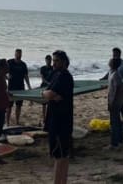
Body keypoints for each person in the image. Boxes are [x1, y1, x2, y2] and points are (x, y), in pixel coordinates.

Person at [43, 49, 75, 184]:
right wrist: (49, 93)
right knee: (63, 154)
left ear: (63, 62)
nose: (54, 63)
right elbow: (50, 93)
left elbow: (49, 94)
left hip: (60, 121)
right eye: (53, 60)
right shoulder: (57, 74)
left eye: (56, 61)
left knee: (59, 155)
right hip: (59, 119)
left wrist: (47, 93)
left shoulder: (64, 76)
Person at [100, 47, 123, 128]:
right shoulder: (113, 64)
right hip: (112, 89)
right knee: (112, 108)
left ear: (119, 54)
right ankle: (113, 123)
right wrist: (102, 79)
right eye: (113, 54)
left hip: (121, 90)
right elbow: (109, 73)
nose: (114, 56)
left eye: (115, 54)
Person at [7, 48, 31, 124]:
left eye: (20, 54)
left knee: (18, 106)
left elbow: (26, 76)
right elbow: (2, 70)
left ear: (21, 54)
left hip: (21, 87)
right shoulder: (10, 62)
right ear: (15, 54)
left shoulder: (23, 64)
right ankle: (7, 122)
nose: (18, 55)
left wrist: (29, 86)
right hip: (11, 87)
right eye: (17, 53)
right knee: (9, 106)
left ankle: (17, 121)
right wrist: (6, 77)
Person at [107, 57, 123, 149]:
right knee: (117, 121)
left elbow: (115, 91)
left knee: (114, 123)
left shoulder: (115, 75)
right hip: (117, 101)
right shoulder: (113, 73)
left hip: (115, 102)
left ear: (112, 64)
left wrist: (111, 102)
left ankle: (114, 143)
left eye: (110, 61)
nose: (109, 61)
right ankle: (120, 140)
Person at [39, 53, 55, 124]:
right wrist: (48, 83)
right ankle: (44, 118)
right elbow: (42, 79)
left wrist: (51, 84)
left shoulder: (53, 68)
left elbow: (55, 77)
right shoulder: (43, 68)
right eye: (47, 60)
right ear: (45, 60)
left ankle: (49, 118)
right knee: (44, 103)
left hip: (51, 86)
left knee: (50, 102)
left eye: (50, 60)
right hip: (44, 85)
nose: (49, 61)